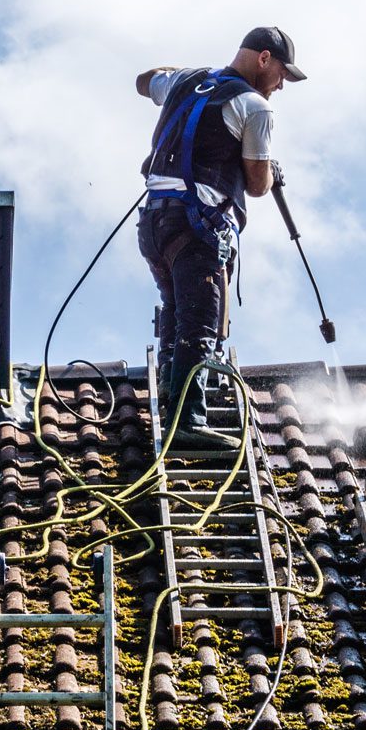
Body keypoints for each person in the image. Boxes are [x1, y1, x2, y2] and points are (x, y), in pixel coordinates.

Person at [136, 27, 306, 450]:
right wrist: (271, 169)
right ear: (264, 59)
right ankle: (188, 421)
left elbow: (144, 81)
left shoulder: (185, 81)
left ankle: (173, 399)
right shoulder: (255, 108)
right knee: (200, 321)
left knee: (177, 312)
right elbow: (255, 184)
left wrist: (185, 74)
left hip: (155, 225)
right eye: (282, 74)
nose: (281, 85)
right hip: (197, 228)